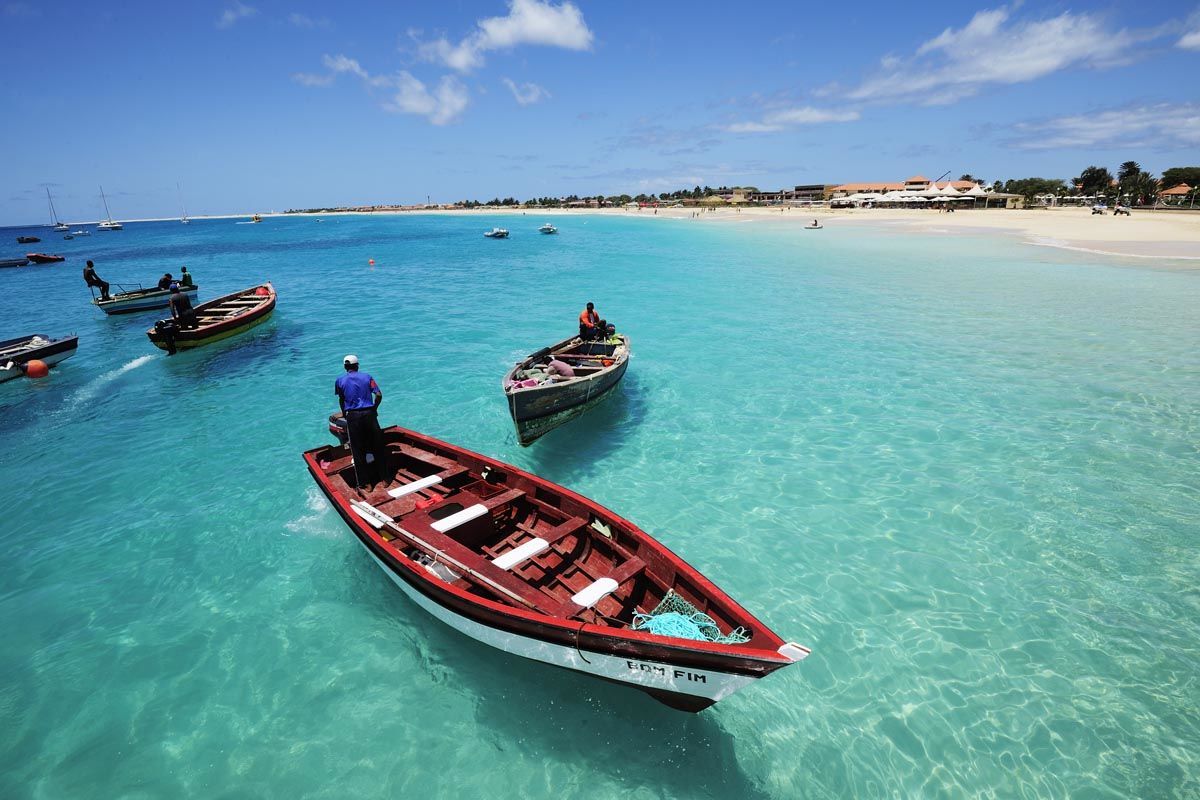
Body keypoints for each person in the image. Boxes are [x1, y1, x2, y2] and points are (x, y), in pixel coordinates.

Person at [335, 354, 386, 490]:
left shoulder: (340, 380)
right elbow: (379, 395)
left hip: (353, 417)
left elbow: (341, 399)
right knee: (378, 446)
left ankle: (366, 483)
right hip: (369, 414)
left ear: (345, 366)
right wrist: (374, 408)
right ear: (357, 365)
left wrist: (345, 413)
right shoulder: (367, 377)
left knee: (357, 451)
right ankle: (385, 478)